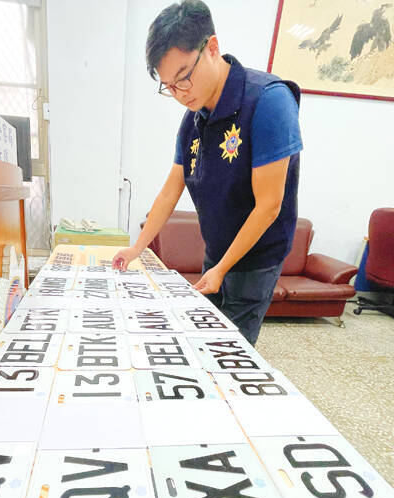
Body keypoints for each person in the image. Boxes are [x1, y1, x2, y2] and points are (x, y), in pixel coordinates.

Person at [112, 0, 303, 345]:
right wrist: (137, 248)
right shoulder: (194, 119)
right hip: (216, 249)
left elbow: (269, 206)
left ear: (212, 48)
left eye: (184, 77)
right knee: (202, 335)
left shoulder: (269, 101)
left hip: (255, 257)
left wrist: (223, 268)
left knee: (231, 348)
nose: (179, 94)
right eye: (168, 86)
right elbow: (171, 190)